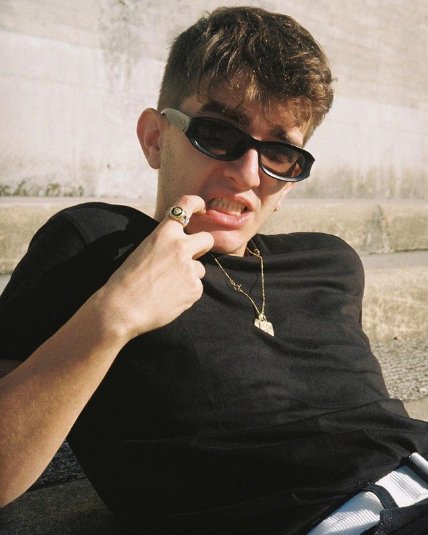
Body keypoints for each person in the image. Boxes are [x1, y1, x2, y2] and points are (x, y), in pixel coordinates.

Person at [0, 6, 427, 534]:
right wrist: (115, 315)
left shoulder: (329, 262)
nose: (248, 173)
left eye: (280, 154)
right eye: (219, 133)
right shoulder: (98, 245)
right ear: (155, 138)